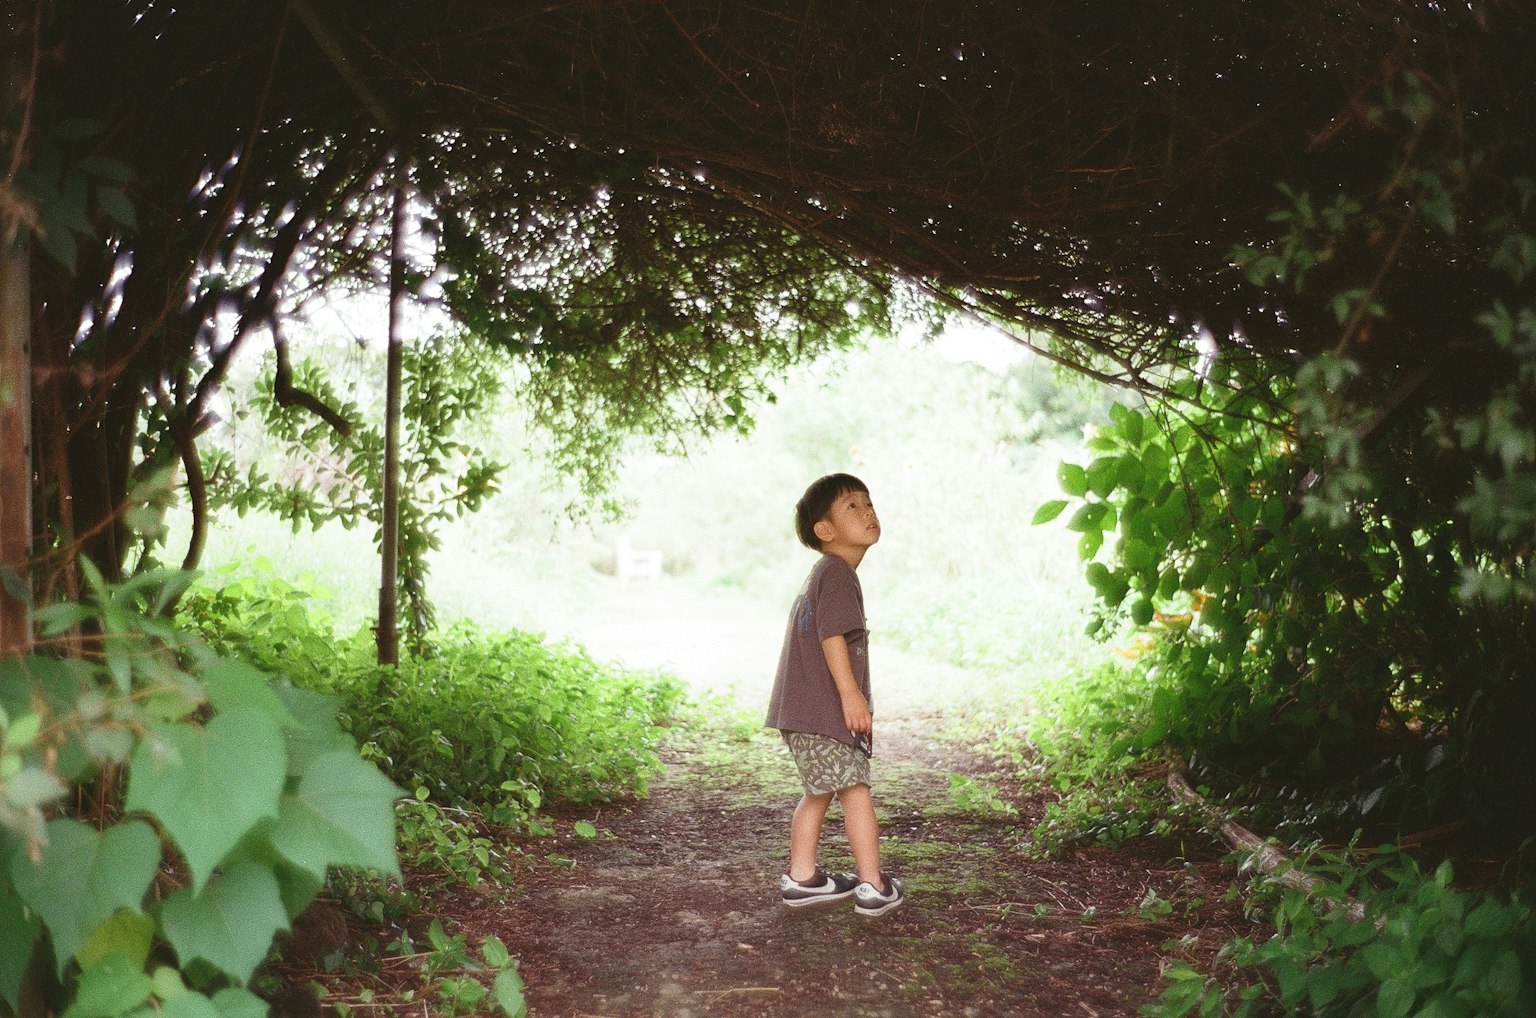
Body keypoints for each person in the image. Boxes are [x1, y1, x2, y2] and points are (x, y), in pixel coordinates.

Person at [764, 473, 904, 916]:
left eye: (869, 503)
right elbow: (832, 638)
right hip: (825, 711)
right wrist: (851, 696)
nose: (868, 512)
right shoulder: (837, 573)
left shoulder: (824, 575)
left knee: (820, 790)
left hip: (802, 712)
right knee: (855, 790)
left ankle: (804, 878)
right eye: (852, 507)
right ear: (824, 531)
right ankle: (873, 884)